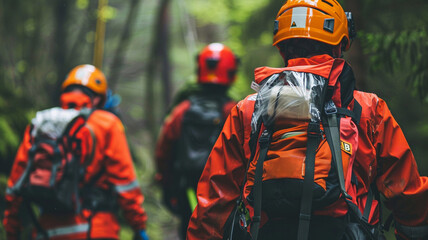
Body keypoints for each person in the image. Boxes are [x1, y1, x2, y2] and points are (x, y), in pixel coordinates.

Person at [187, 1, 428, 240]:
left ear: (283, 46)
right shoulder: (367, 108)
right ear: (341, 43)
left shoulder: (249, 109)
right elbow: (406, 192)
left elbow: (215, 198)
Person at [3, 64, 149, 240]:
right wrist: (138, 225)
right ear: (99, 98)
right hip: (95, 228)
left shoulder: (41, 123)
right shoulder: (107, 124)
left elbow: (16, 183)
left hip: (46, 230)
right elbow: (126, 184)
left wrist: (12, 229)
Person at [155, 43, 239, 239]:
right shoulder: (234, 111)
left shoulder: (181, 110)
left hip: (187, 188)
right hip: (225, 194)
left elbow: (164, 150)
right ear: (230, 72)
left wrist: (167, 185)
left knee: (189, 229)